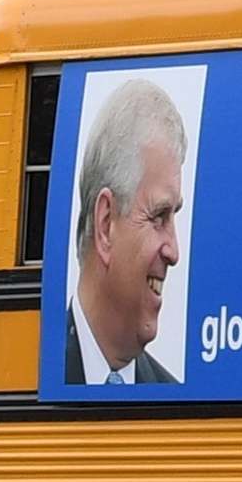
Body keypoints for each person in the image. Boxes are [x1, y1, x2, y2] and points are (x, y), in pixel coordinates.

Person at [66, 78, 185, 385]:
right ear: (106, 225)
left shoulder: (170, 396)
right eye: (159, 216)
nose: (174, 252)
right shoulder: (25, 377)